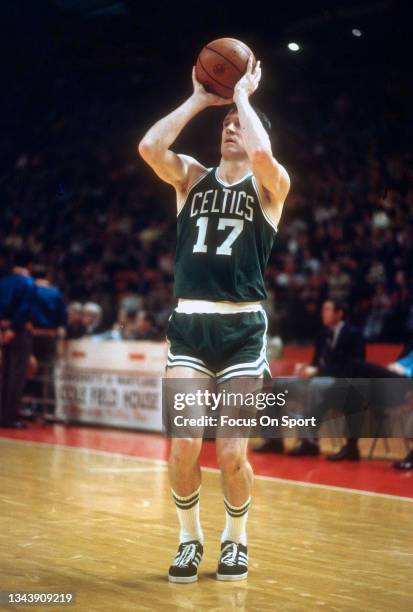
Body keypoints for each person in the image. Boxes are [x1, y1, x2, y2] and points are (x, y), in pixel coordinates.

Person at [139, 58, 290, 582]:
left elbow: (264, 153)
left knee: (230, 453)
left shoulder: (271, 186)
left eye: (239, 127)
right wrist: (203, 99)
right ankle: (189, 539)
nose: (231, 130)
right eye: (225, 127)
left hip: (243, 331)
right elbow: (149, 148)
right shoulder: (192, 179)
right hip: (190, 327)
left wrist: (243, 98)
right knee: (184, 443)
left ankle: (236, 540)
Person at [287, 299, 366, 460]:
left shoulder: (354, 334)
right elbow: (316, 363)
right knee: (283, 384)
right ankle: (274, 440)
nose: (323, 313)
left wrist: (318, 371)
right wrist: (305, 368)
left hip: (341, 382)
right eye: (323, 310)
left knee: (314, 386)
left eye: (327, 310)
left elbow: (353, 365)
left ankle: (310, 441)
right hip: (320, 380)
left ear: (339, 313)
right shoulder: (322, 334)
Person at [0, 250, 36, 428]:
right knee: (17, 375)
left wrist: (3, 329)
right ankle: (10, 417)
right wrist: (13, 329)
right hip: (18, 332)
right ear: (29, 265)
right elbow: (24, 308)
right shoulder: (28, 283)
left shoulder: (4, 281)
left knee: (4, 373)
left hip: (2, 329)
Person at [28, 264, 67, 417]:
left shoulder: (30, 291)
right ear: (47, 276)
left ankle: (29, 406)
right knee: (48, 372)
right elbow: (63, 319)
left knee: (29, 371)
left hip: (31, 335)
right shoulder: (56, 293)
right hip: (49, 337)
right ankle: (49, 410)